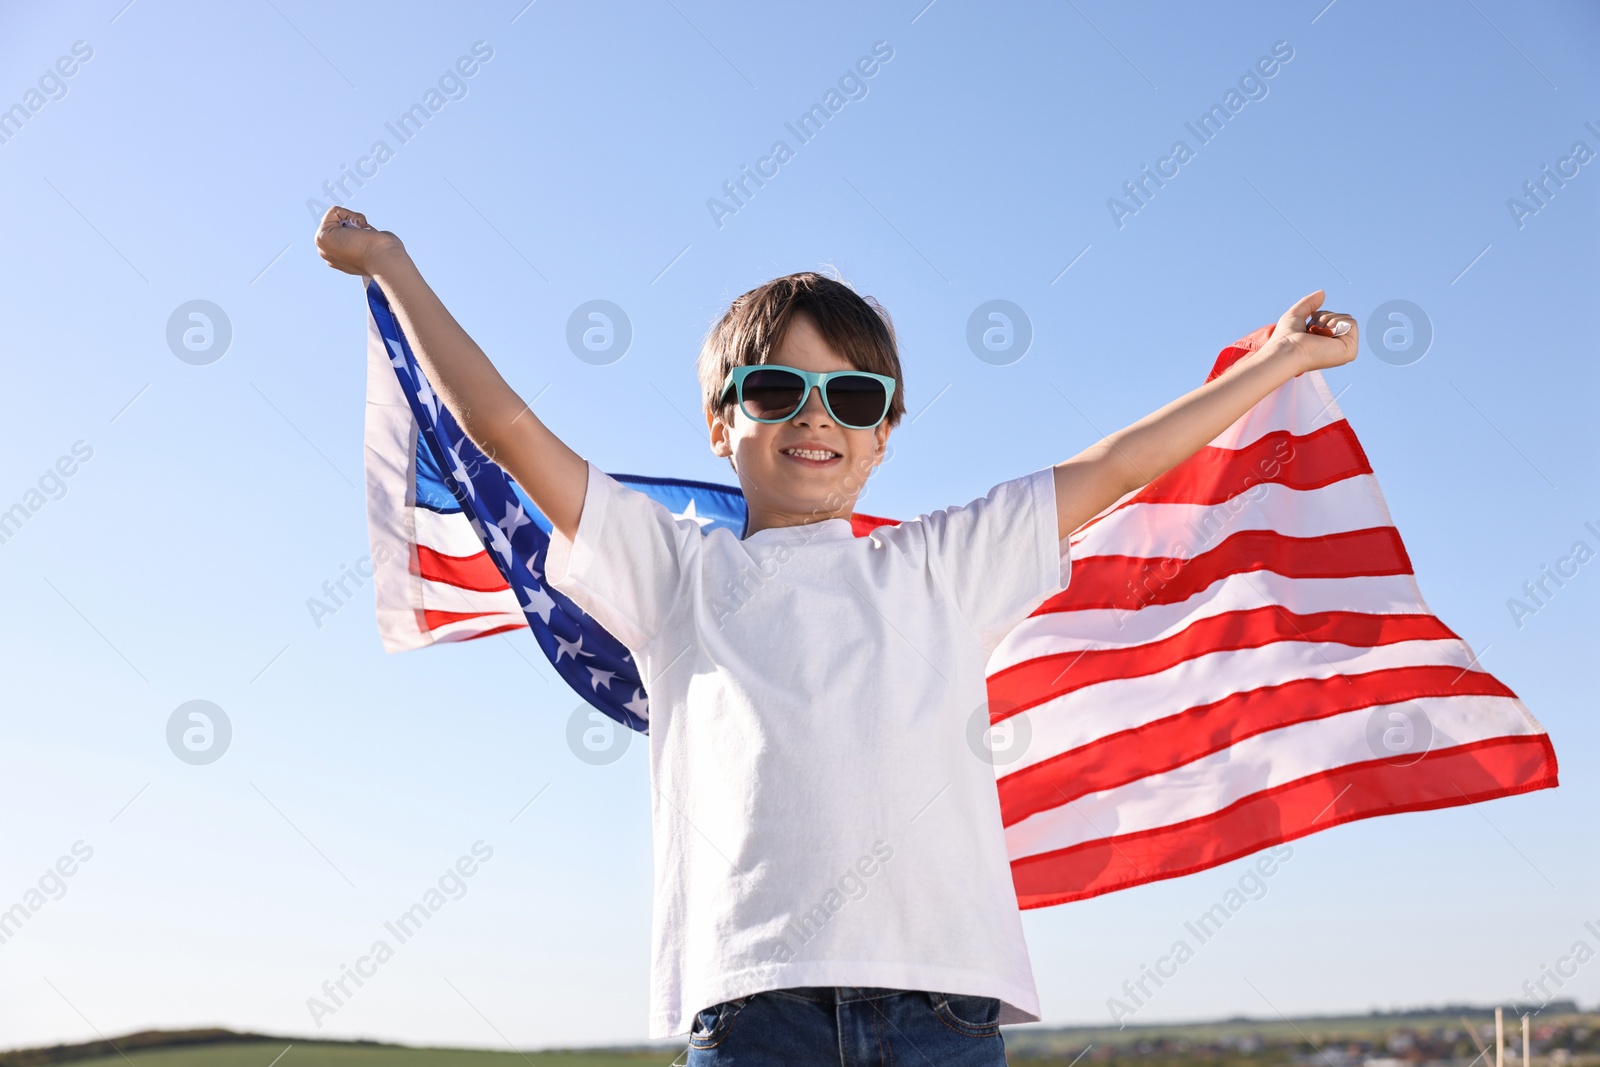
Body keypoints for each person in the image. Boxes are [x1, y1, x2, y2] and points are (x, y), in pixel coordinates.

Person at [314, 205, 1357, 1065]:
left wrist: (1269, 366)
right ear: (722, 423)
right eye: (776, 389)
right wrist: (394, 267)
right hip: (753, 1015)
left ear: (884, 431)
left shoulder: (945, 562)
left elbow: (1120, 463)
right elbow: (508, 433)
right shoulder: (675, 567)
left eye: (851, 395)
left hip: (942, 1013)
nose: (816, 416)